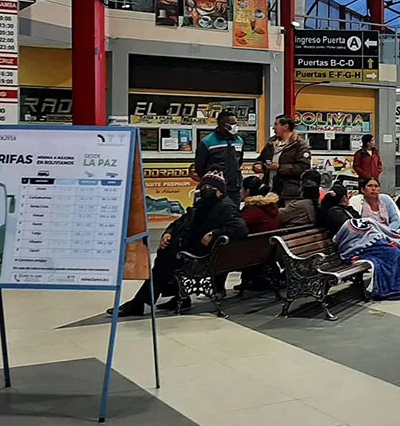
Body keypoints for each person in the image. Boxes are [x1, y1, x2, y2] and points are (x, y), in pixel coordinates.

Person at [110, 171, 247, 316]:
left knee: (162, 268)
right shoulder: (202, 205)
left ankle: (138, 304)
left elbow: (240, 228)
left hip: (199, 257)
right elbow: (180, 222)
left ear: (220, 191)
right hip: (189, 251)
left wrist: (214, 234)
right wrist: (168, 232)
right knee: (164, 262)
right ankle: (176, 298)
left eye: (209, 188)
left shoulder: (226, 208)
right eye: (203, 187)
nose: (205, 190)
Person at [332, 178, 400, 299]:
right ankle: (396, 289)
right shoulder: (357, 203)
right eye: (370, 186)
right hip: (369, 240)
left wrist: (386, 232)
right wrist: (378, 234)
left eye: (376, 186)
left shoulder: (385, 200)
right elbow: (358, 227)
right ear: (363, 189)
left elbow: (395, 220)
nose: (373, 189)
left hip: (388, 233)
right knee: (395, 255)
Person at [254, 115, 312, 204]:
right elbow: (261, 159)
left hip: (289, 193)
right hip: (269, 190)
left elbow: (303, 167)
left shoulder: (299, 145)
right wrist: (258, 165)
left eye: (276, 124)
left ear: (285, 127)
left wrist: (279, 167)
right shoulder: (271, 143)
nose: (273, 128)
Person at [194, 110, 245, 202]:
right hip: (215, 188)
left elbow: (239, 161)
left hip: (234, 187)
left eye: (236, 124)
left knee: (233, 210)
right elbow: (200, 167)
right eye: (231, 124)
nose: (235, 127)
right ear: (222, 125)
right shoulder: (207, 142)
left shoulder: (239, 141)